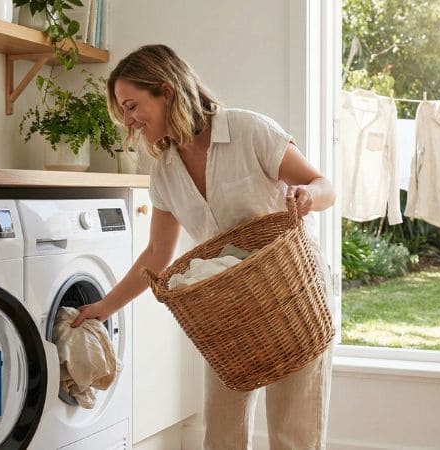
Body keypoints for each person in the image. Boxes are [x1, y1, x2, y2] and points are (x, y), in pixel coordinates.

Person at [71, 44, 335, 450]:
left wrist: (306, 196)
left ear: (166, 91)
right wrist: (103, 308)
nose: (128, 121)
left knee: (292, 436)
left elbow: (325, 186)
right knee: (222, 435)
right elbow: (157, 255)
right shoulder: (164, 171)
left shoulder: (248, 130)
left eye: (132, 106)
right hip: (226, 311)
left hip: (292, 298)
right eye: (123, 111)